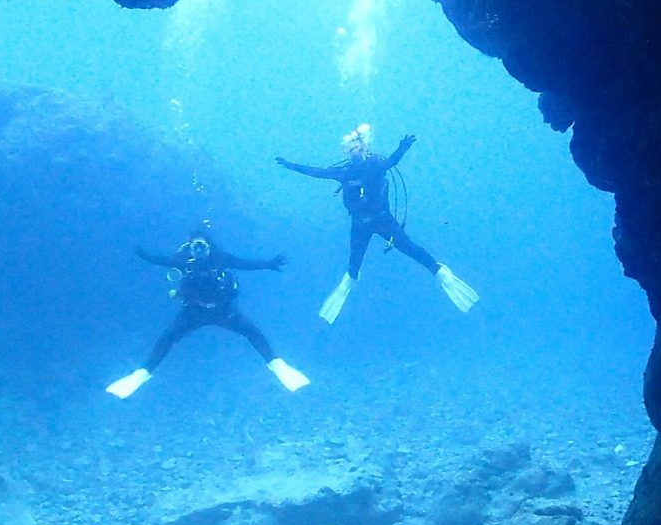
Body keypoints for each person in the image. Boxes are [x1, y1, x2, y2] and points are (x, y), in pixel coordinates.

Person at [275, 123, 478, 323]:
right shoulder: (344, 172)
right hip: (360, 224)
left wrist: (403, 147)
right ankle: (349, 281)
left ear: (365, 148)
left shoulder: (375, 166)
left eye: (356, 148)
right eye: (349, 149)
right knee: (355, 260)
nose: (352, 152)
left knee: (410, 248)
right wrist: (290, 165)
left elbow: (392, 161)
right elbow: (317, 172)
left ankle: (440, 273)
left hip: (383, 221)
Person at [106, 226, 310, 398]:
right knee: (166, 339)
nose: (199, 250)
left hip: (224, 311)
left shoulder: (220, 258)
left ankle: (278, 365)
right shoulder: (183, 259)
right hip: (193, 313)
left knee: (254, 333)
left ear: (209, 246)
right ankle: (142, 373)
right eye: (195, 246)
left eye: (203, 245)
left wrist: (268, 264)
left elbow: (243, 263)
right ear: (189, 246)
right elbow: (160, 260)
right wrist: (144, 255)